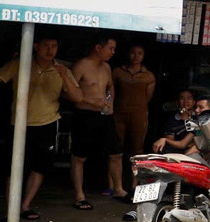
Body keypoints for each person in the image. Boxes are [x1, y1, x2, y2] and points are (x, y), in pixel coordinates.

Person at [0, 35, 82, 221]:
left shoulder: (62, 69)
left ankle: (25, 206)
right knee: (14, 169)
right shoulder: (19, 63)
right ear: (35, 46)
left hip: (47, 123)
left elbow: (78, 97)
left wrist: (63, 75)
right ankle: (9, 212)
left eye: (54, 46)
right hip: (18, 123)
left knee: (39, 167)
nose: (50, 50)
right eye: (46, 46)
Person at [70, 34, 126, 209]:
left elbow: (110, 86)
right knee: (80, 157)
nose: (113, 52)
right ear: (98, 48)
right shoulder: (81, 66)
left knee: (116, 153)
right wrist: (89, 101)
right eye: (111, 48)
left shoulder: (107, 67)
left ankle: (119, 188)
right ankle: (79, 195)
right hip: (85, 114)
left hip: (104, 115)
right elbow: (67, 92)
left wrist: (109, 102)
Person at [113, 44, 155, 186]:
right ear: (127, 54)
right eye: (132, 52)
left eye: (140, 53)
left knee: (137, 149)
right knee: (116, 149)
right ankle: (113, 185)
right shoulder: (118, 72)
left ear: (144, 56)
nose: (136, 56)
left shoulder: (148, 75)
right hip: (119, 113)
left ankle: (134, 184)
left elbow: (148, 97)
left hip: (139, 114)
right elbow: (112, 93)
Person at [150, 89, 197, 155]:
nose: (186, 101)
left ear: (194, 102)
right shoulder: (172, 121)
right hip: (177, 151)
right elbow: (172, 143)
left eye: (189, 98)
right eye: (182, 98)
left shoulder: (197, 117)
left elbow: (197, 140)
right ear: (177, 102)